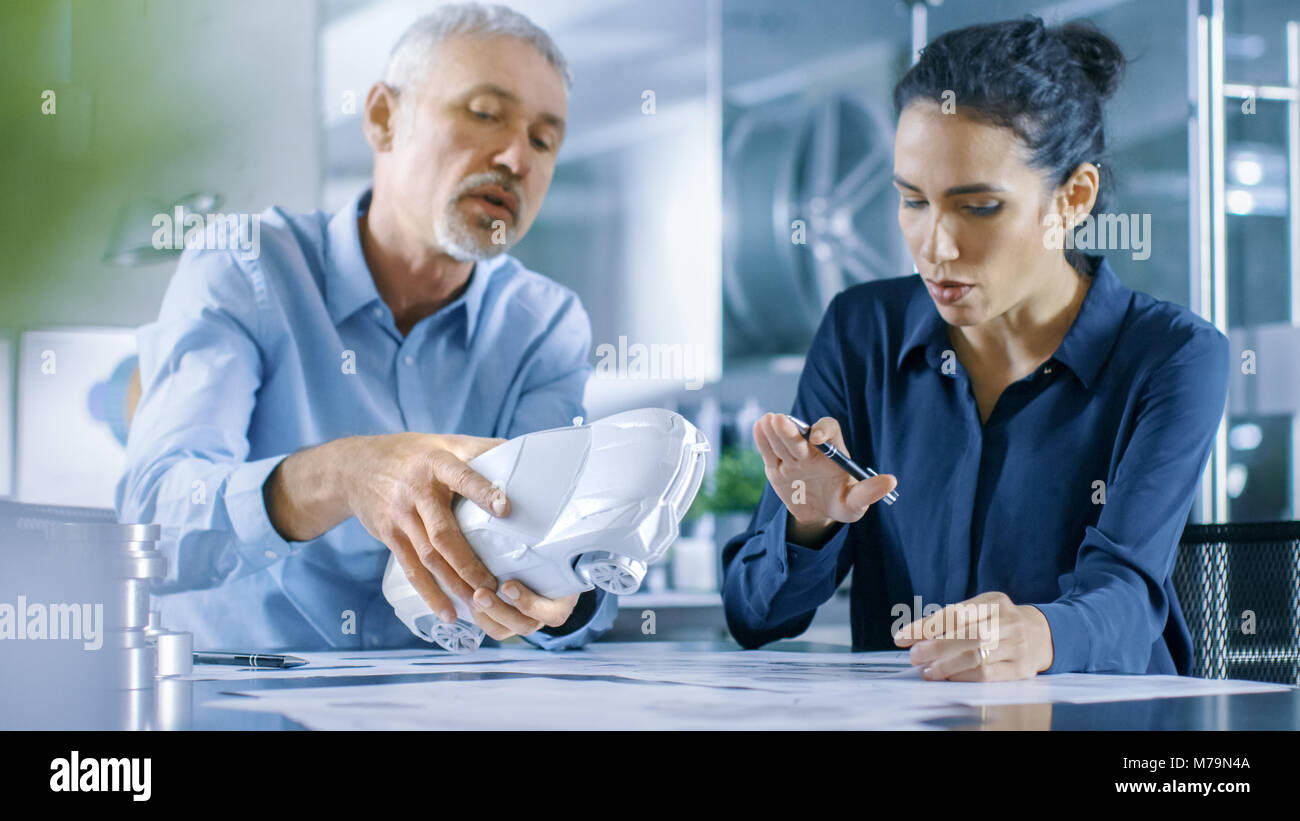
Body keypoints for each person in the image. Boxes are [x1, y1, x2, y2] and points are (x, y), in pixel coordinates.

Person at [721, 17, 1229, 680]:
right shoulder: (860, 331)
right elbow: (753, 617)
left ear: (1072, 198)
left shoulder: (1172, 358)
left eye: (979, 207)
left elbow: (1129, 600)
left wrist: (1037, 631)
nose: (936, 247)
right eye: (911, 201)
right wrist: (807, 525)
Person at [116, 3, 617, 651]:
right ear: (384, 117)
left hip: (442, 707)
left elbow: (565, 557)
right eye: (485, 113)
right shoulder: (247, 264)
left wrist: (565, 601)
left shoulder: (546, 325)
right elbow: (153, 521)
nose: (517, 157)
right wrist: (342, 472)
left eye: (545, 140)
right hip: (240, 700)